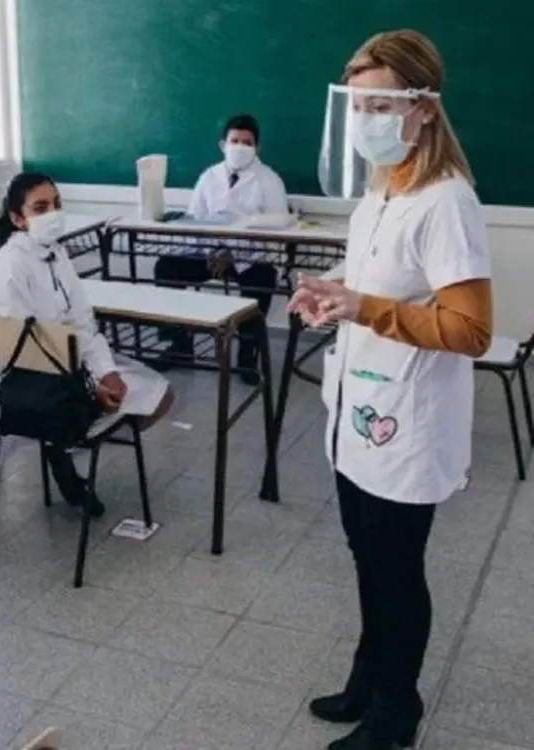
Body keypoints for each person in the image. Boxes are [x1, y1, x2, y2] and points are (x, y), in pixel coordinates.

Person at [287, 30, 492, 750]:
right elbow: (379, 292)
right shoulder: (383, 190)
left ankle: (395, 711)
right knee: (364, 555)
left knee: (396, 570)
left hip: (407, 421)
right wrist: (334, 295)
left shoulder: (446, 201)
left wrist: (365, 308)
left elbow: (471, 330)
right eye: (358, 106)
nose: (366, 120)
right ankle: (368, 677)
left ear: (424, 108)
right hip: (360, 408)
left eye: (382, 105)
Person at [0, 173, 174, 518]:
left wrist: (106, 372)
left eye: (57, 204)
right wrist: (90, 387)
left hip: (65, 369)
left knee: (159, 396)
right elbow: (25, 355)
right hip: (20, 386)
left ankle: (61, 446)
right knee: (110, 408)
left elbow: (81, 322)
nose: (53, 213)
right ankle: (64, 449)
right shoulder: (9, 268)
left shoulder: (54, 252)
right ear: (18, 219)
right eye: (40, 207)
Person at [153, 114, 288, 381]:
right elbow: (195, 220)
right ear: (222, 144)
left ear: (257, 148)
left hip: (250, 258)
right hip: (208, 253)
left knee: (262, 278)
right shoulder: (209, 176)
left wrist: (234, 256)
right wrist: (212, 251)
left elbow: (277, 229)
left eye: (247, 143)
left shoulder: (269, 180)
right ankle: (180, 346)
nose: (240, 147)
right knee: (167, 267)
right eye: (234, 141)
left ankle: (247, 357)